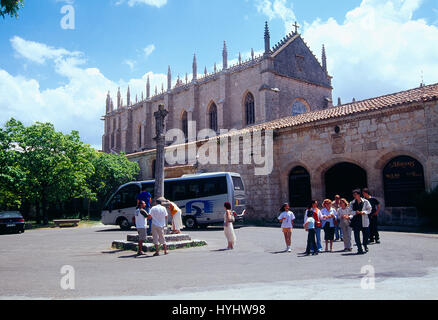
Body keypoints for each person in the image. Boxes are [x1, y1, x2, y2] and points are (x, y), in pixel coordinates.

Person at [349, 189, 372, 255]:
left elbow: (369, 209)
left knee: (366, 235)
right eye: (353, 195)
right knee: (356, 236)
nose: (354, 196)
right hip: (356, 221)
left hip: (364, 220)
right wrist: (355, 212)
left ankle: (365, 245)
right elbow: (349, 211)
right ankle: (359, 248)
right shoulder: (352, 203)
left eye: (356, 194)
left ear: (359, 195)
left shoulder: (365, 201)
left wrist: (363, 212)